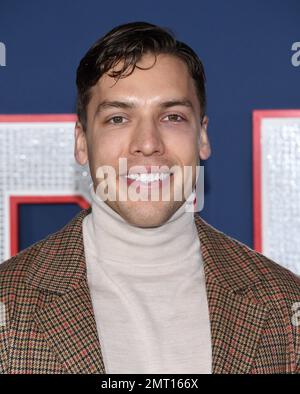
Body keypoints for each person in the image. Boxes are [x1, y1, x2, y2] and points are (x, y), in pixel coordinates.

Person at [1, 21, 300, 374]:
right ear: (81, 141)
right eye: (118, 119)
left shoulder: (285, 303)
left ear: (202, 137)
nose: (147, 142)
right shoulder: (9, 302)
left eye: (172, 117)